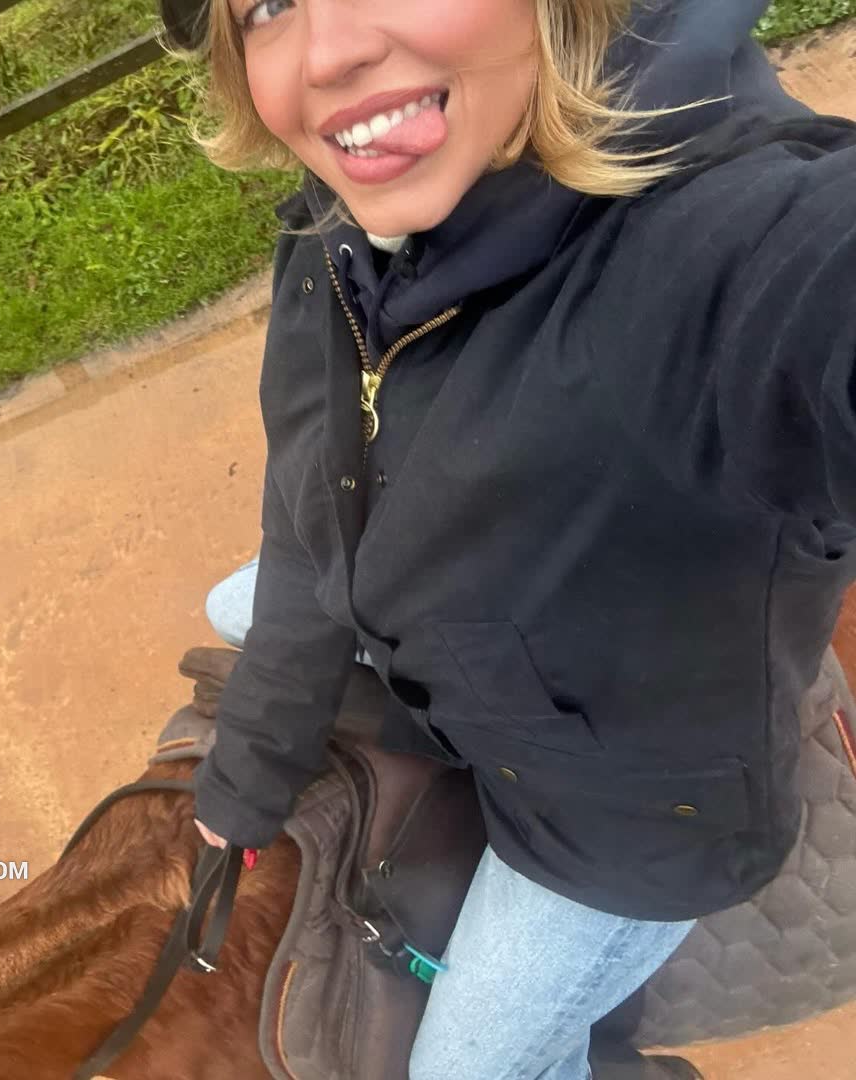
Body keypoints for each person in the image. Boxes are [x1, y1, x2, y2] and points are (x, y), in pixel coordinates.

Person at [157, 1, 856, 1077]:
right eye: (267, 5)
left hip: (617, 820)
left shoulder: (723, 240)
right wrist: (251, 772)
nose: (329, 52)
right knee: (235, 604)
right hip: (475, 641)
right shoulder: (333, 237)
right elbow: (306, 528)